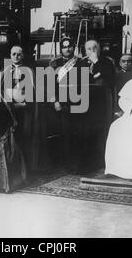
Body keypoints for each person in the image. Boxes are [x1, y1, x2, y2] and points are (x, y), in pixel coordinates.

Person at [0, 45, 42, 173]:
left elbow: (34, 93)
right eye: (13, 54)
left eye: (19, 54)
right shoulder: (4, 71)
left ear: (23, 55)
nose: (16, 56)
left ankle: (25, 170)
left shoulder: (29, 71)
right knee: (10, 138)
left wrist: (25, 105)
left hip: (24, 109)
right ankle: (12, 169)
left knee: (24, 137)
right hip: (8, 110)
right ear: (10, 55)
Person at [78, 40, 115, 173]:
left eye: (94, 48)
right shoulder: (81, 63)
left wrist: (96, 62)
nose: (92, 51)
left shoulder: (106, 62)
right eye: (88, 49)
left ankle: (101, 162)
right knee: (85, 132)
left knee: (101, 131)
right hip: (85, 101)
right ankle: (87, 162)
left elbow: (109, 79)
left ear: (99, 49)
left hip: (101, 102)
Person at [50, 37, 85, 173]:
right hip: (61, 103)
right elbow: (50, 85)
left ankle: (77, 164)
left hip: (78, 102)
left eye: (70, 46)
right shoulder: (55, 63)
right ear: (61, 49)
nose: (67, 49)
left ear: (74, 47)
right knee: (65, 134)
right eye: (64, 47)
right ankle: (65, 164)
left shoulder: (80, 62)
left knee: (77, 134)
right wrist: (55, 101)